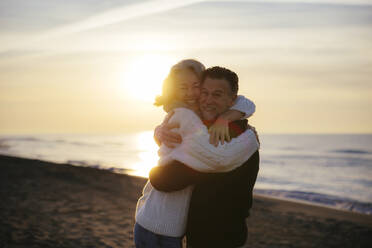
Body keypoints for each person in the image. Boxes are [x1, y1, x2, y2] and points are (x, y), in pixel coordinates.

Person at [134, 60, 259, 248]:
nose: (207, 100)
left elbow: (166, 180)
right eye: (204, 93)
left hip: (220, 237)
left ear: (231, 100)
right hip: (193, 233)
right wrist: (159, 131)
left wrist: (250, 139)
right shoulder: (202, 125)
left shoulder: (232, 135)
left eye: (216, 95)